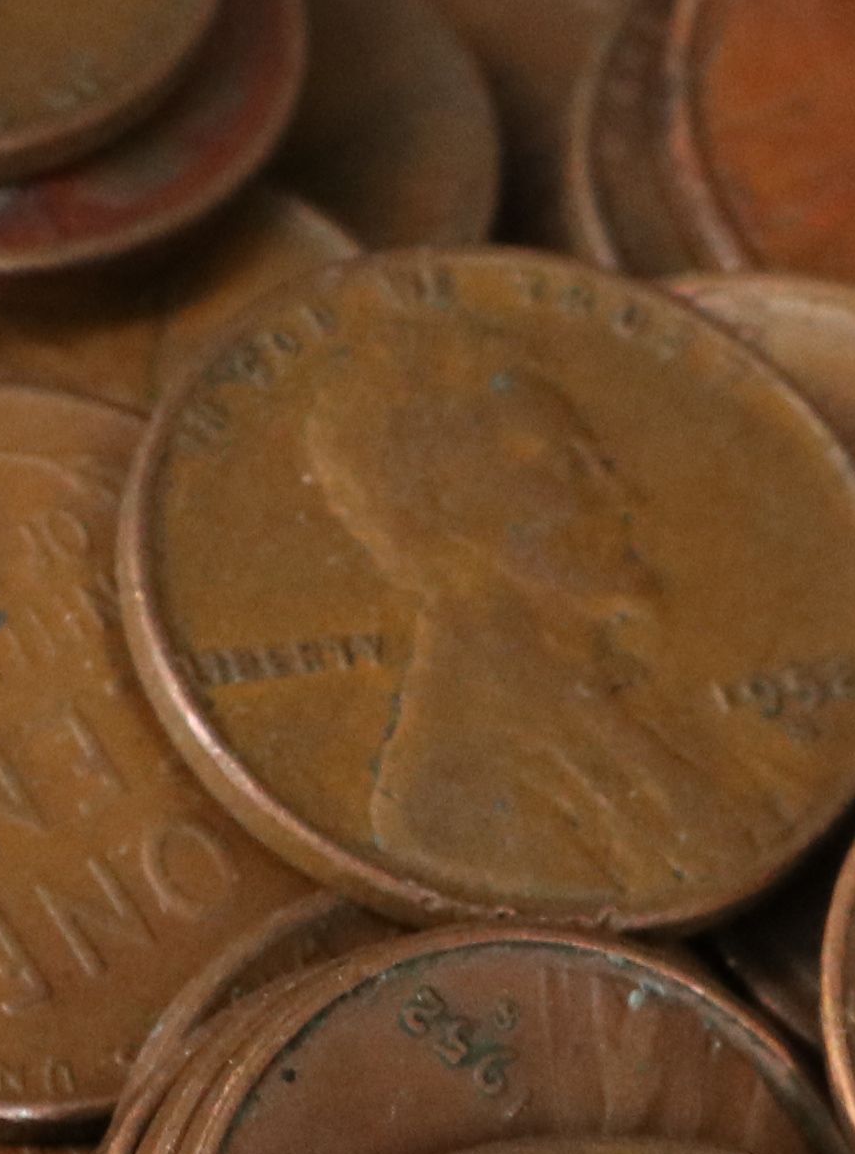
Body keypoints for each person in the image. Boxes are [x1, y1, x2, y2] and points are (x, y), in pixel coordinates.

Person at [289, 320, 768, 910]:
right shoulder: (459, 797)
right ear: (449, 507)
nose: (622, 497)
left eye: (599, 462)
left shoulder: (638, 715)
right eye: (564, 465)